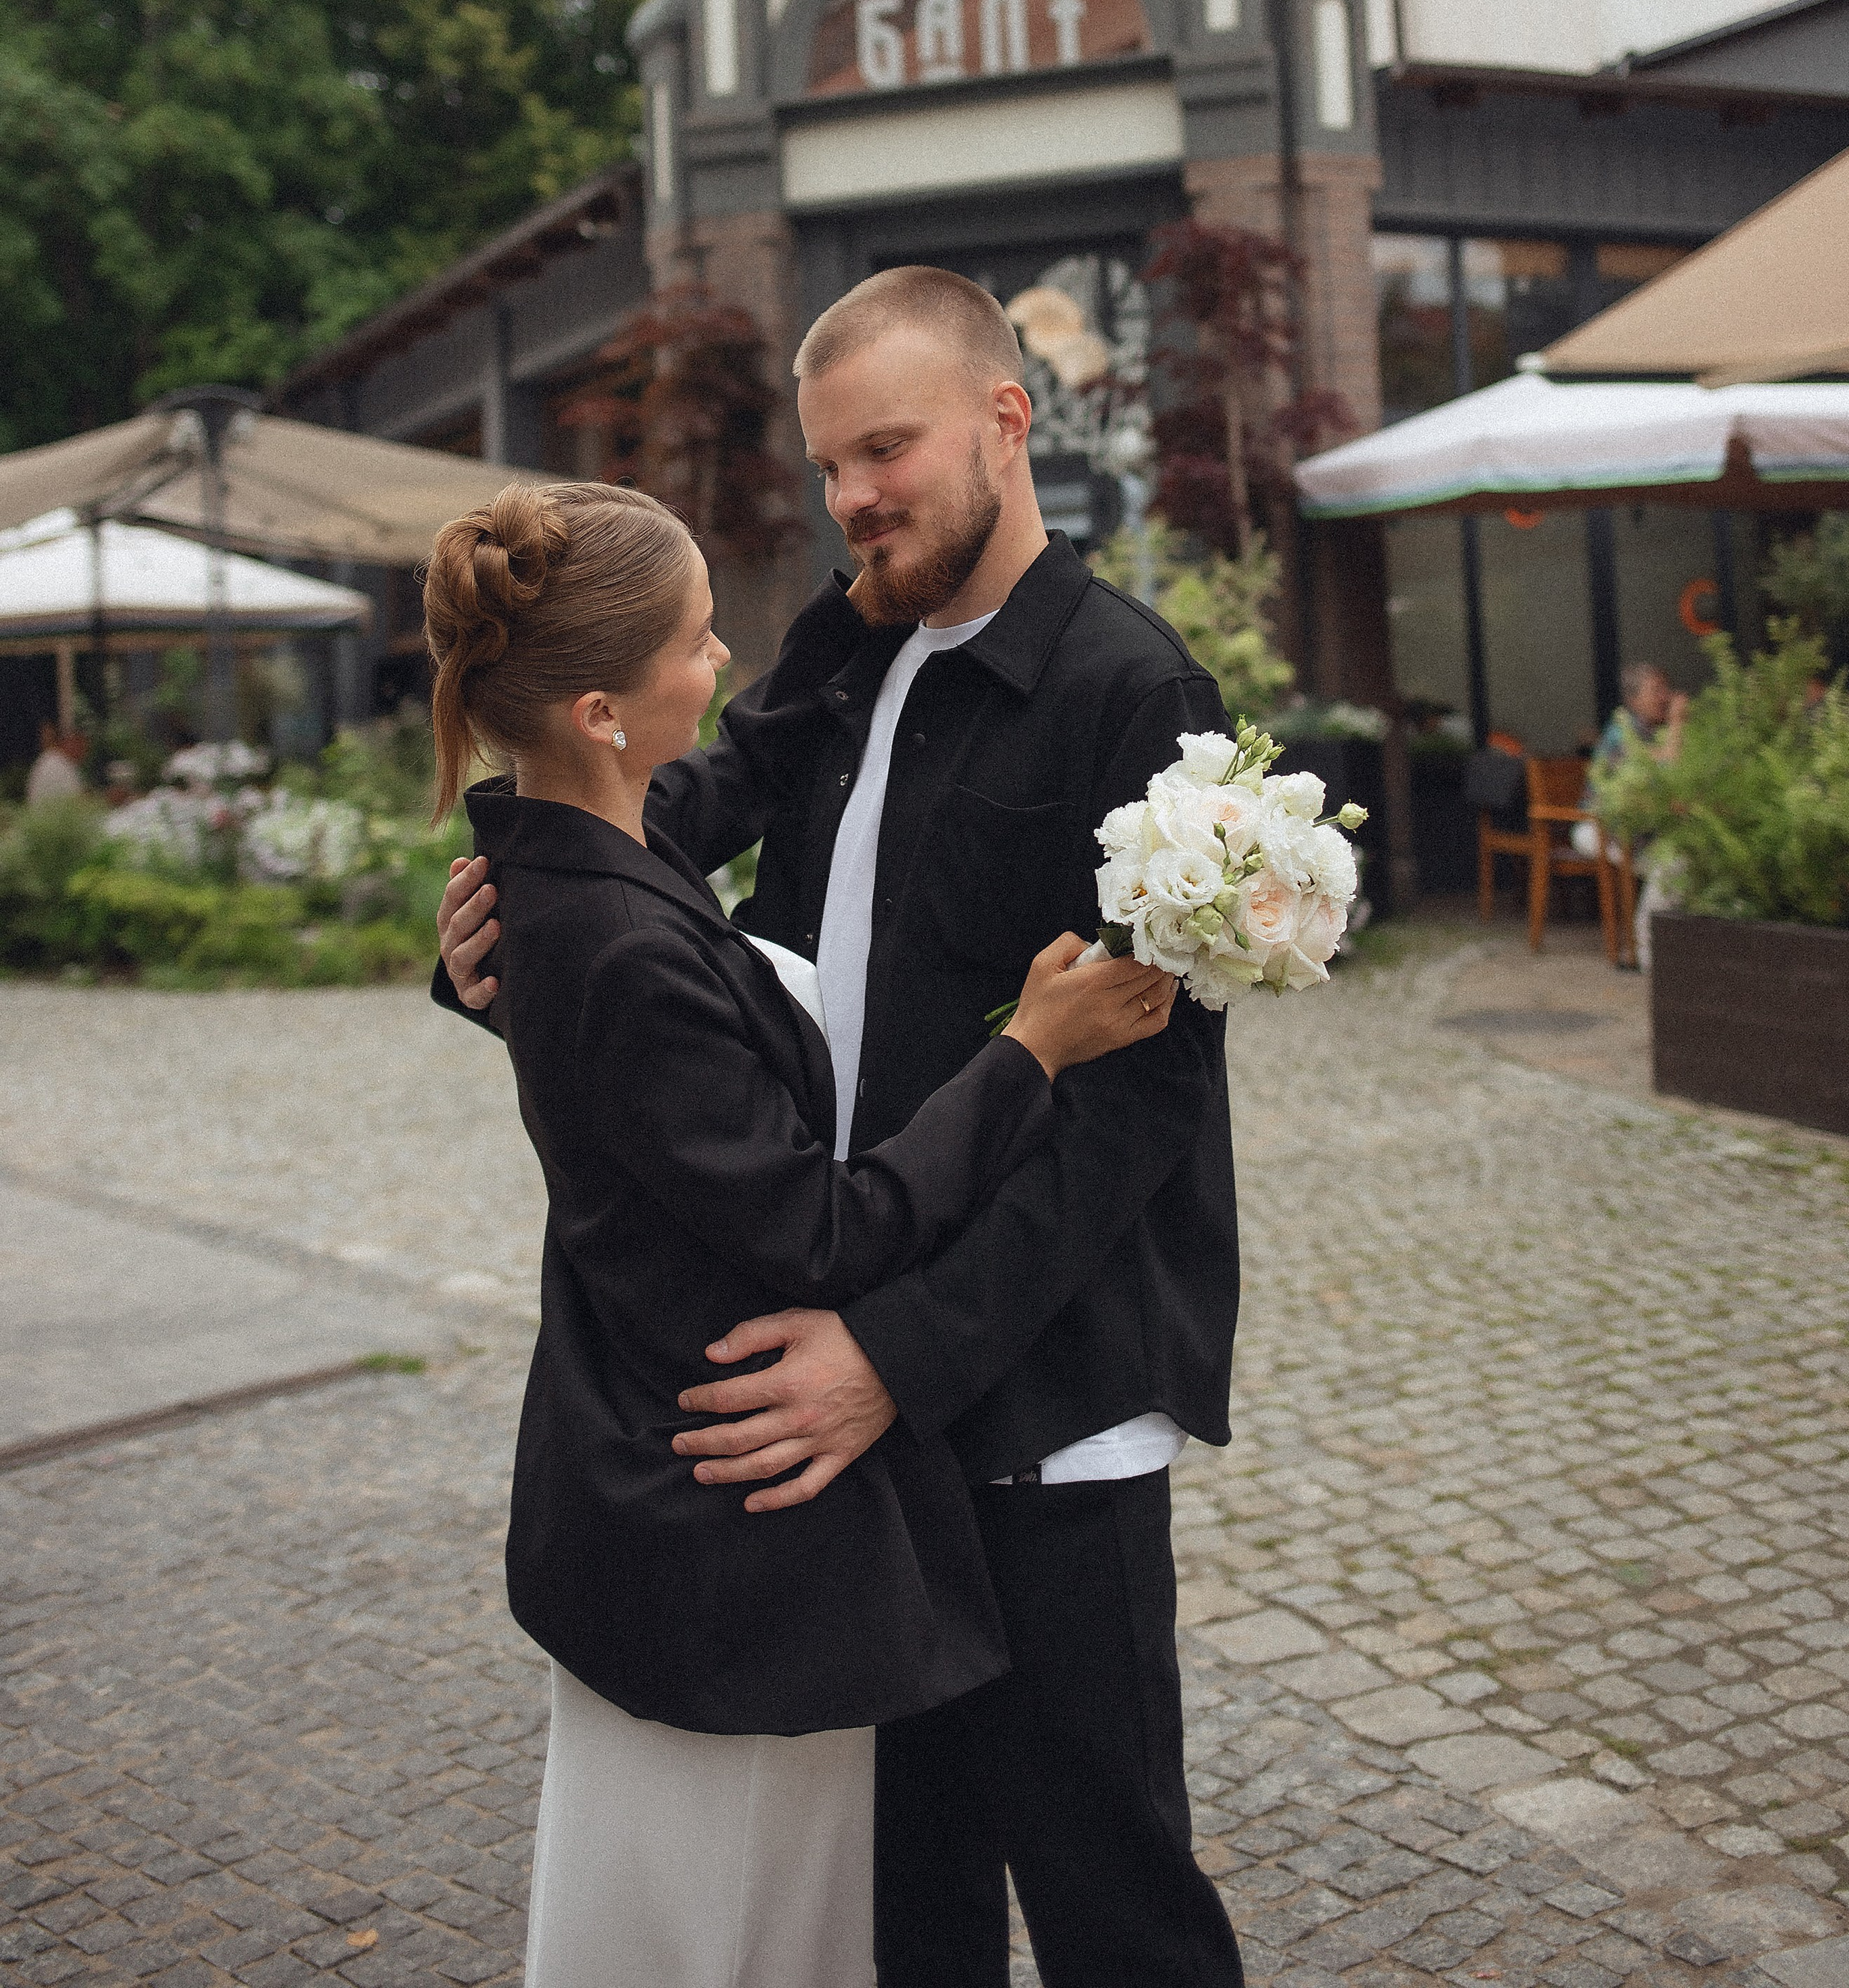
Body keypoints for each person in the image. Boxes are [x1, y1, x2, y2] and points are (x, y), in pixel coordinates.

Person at [438, 266, 1246, 1988]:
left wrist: (899, 1351)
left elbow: (1135, 1121)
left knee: (1112, 1895)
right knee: (909, 1904)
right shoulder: (849, 629)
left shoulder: (1138, 698)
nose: (853, 496)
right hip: (855, 1388)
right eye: (827, 466)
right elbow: (672, 807)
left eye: (883, 448)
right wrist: (516, 922)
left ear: (1003, 421)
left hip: (1027, 1394)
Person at [1576, 662, 1689, 967]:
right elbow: (1664, 771)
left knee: (1696, 855)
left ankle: (1672, 951)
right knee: (1674, 865)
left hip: (1642, 831)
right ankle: (1644, 952)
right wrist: (1678, 724)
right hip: (1602, 830)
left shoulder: (1659, 730)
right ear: (1634, 700)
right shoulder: (1622, 732)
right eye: (1657, 690)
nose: (1666, 697)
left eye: (1666, 689)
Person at [25, 723, 85, 804]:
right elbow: (78, 801)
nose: (84, 751)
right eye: (81, 744)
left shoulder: (51, 760)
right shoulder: (57, 764)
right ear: (71, 742)